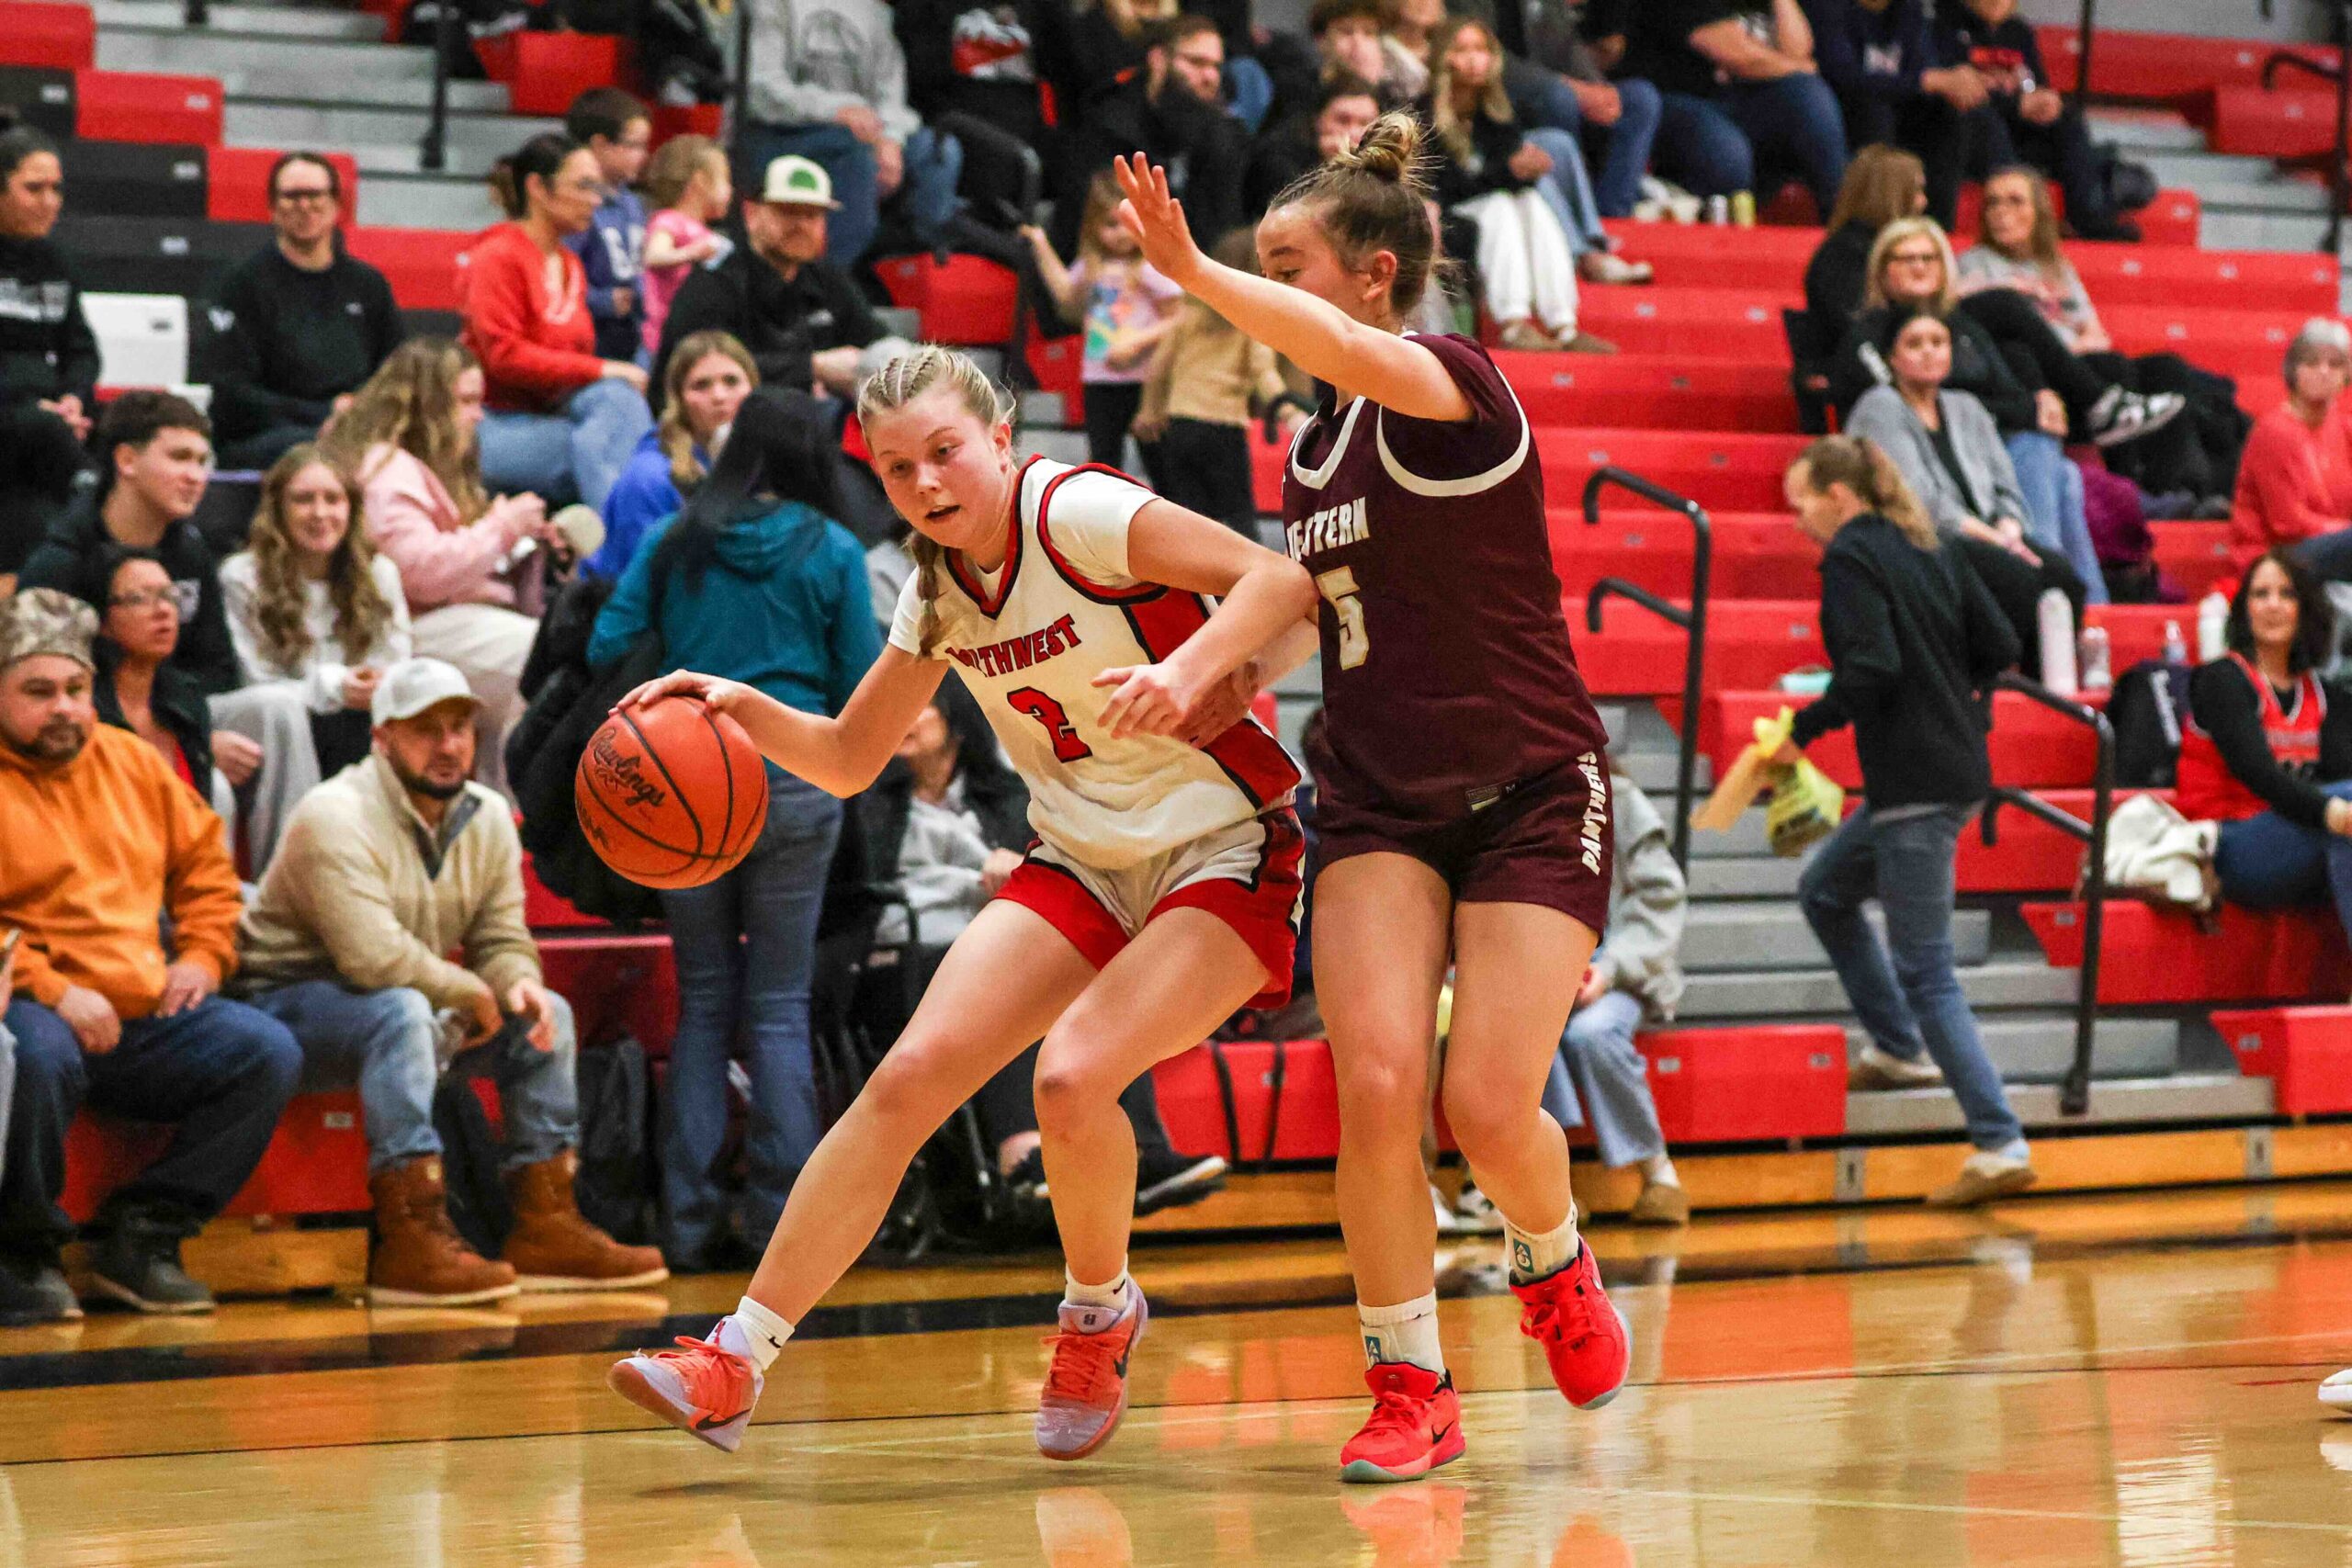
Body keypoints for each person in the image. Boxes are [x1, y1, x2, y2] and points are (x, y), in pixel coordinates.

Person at [605, 344, 1314, 1460]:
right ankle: (734, 1361)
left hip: (1221, 848)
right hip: (1080, 859)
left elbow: (1279, 581)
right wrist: (738, 705)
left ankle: (1098, 1313)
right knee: (906, 1081)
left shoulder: (1076, 512)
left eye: (944, 452)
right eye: (897, 469)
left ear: (999, 437)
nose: (926, 483)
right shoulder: (933, 588)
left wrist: (1188, 672)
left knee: (1071, 1079)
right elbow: (851, 758)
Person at [1116, 118, 1632, 1482]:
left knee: (1487, 1105)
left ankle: (1551, 1254)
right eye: (1255, 265)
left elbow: (1347, 352)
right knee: (1379, 1083)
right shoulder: (1313, 450)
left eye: (1285, 265)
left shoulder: (1458, 384)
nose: (1264, 285)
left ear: (1373, 273)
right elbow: (1319, 607)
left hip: (1529, 786)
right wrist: (1215, 683)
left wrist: (1192, 272)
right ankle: (1410, 1382)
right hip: (1379, 800)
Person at [233, 656, 669, 1305]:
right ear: (382, 738)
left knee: (547, 1012)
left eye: (460, 727)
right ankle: (409, 1236)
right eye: (425, 729)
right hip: (283, 1008)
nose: (448, 746)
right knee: (402, 1012)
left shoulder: (487, 815)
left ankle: (546, 1222)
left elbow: (500, 937)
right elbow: (372, 957)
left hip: (404, 1002)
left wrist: (516, 982)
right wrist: (469, 992)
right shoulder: (332, 814)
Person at [586, 391, 882, 1269]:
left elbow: (607, 642)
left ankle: (686, 1224)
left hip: (680, 774)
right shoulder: (832, 547)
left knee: (706, 999)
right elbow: (863, 679)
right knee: (780, 1005)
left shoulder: (675, 538)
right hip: (796, 776)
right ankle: (782, 1234)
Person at [0, 588, 303, 1320]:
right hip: (33, 1003)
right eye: (38, 691)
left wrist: (202, 955)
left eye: (76, 688)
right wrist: (54, 990)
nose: (64, 707)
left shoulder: (132, 761)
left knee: (266, 1051)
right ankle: (21, 1255)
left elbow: (207, 871)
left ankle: (146, 1234)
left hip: (141, 1007)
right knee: (32, 1055)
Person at [1777, 436, 2033, 1207]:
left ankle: (1999, 1140)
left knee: (1927, 969)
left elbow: (1873, 667)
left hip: (1915, 783)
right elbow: (2001, 642)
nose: (1798, 519)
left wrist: (1804, 727)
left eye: (1802, 502)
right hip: (1946, 770)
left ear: (1839, 496)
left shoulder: (1852, 557)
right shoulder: (1929, 543)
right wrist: (1953, 696)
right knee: (1825, 889)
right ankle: (1896, 1045)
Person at [867, 680, 1227, 1220]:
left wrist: (1018, 868)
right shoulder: (869, 801)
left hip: (998, 938)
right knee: (1004, 977)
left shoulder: (1011, 796)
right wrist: (977, 879)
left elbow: (1056, 876)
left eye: (923, 706)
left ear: (957, 722)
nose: (907, 719)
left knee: (1085, 969)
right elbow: (854, 894)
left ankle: (1142, 1150)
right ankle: (1022, 1152)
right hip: (904, 957)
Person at [20, 392, 324, 868]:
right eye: (180, 457)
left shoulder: (191, 552)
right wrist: (186, 738)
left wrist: (186, 725)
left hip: (173, 708)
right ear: (126, 460)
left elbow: (217, 668)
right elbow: (38, 690)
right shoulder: (62, 562)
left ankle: (293, 886)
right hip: (91, 729)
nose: (196, 475)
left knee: (278, 706)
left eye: (203, 461)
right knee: (213, 785)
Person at [328, 338, 549, 801]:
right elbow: (420, 573)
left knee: (545, 650)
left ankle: (499, 807)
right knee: (536, 656)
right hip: (402, 629)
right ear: (428, 405)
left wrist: (529, 545)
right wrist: (505, 528)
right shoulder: (386, 468)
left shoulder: (432, 463)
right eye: (466, 401)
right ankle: (515, 810)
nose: (479, 416)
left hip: (443, 618)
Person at [1830, 217, 2180, 451]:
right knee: (2036, 446)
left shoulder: (1963, 327)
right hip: (1909, 452)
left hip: (1984, 441)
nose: (1919, 267)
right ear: (1882, 270)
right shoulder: (1866, 336)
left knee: (2054, 458)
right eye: (1906, 259)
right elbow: (1916, 406)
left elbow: (2009, 392)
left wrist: (2036, 401)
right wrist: (2026, 413)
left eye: (1928, 258)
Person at [1846, 308, 2102, 622]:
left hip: (1988, 538)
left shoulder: (1967, 407)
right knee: (2020, 579)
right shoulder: (1879, 408)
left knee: (2064, 578)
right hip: (1923, 541)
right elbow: (1919, 500)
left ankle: (2050, 657)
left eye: (1938, 342)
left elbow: (2005, 486)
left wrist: (2009, 526)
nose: (1928, 351)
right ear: (1892, 359)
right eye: (1914, 344)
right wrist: (1997, 541)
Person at [462, 133, 654, 512]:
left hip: (552, 416)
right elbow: (504, 357)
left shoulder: (571, 264)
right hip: (492, 422)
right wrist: (602, 369)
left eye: (597, 188)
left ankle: (621, 535)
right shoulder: (497, 256)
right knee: (608, 448)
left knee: (618, 408)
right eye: (583, 186)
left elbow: (572, 367)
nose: (596, 200)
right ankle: (628, 540)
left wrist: (606, 377)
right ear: (538, 188)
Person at [2176, 549, 2352, 939]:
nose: (2273, 605)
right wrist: (2335, 813)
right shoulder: (2222, 679)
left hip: (2297, 843)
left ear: (2305, 610)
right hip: (2228, 848)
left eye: (2287, 594)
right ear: (2244, 610)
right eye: (2260, 594)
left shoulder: (2320, 693)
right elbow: (2257, 773)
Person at [1543, 759, 1688, 1226]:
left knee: (1593, 1033)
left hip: (1621, 975)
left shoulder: (1620, 800)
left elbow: (1660, 899)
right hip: (1543, 975)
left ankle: (1659, 1175)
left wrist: (1607, 970)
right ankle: (1551, 1185)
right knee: (1528, 1035)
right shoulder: (1519, 804)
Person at [220, 445, 414, 778]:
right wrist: (336, 687)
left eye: (333, 499)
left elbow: (395, 663)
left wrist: (375, 685)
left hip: (361, 720)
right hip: (282, 726)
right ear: (278, 509)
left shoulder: (379, 573)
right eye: (303, 500)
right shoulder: (244, 577)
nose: (320, 513)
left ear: (351, 508)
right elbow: (256, 681)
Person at [205, 152, 404, 470]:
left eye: (315, 195)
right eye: (292, 196)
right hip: (267, 436)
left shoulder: (368, 285)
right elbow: (233, 392)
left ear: (336, 205)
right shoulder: (241, 284)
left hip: (355, 427)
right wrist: (324, 414)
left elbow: (394, 369)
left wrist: (353, 413)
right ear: (272, 207)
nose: (304, 205)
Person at [652, 156, 898, 410]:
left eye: (813, 215)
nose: (801, 225)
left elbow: (875, 339)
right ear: (751, 213)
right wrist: (812, 368)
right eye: (788, 211)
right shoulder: (714, 282)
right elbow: (703, 374)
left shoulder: (827, 278)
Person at [1420, 17, 1602, 355]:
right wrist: (1509, 172)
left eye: (1481, 49)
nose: (1473, 59)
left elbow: (1505, 172)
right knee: (1501, 207)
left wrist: (1528, 169)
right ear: (1444, 57)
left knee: (1532, 203)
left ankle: (1563, 324)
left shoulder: (1496, 110)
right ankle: (1513, 322)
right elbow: (1447, 187)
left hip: (1487, 203)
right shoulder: (1424, 113)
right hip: (1448, 218)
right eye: (1462, 50)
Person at [739, 0, 963, 265]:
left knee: (939, 150)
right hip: (779, 133)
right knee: (855, 154)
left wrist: (891, 138)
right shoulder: (769, 5)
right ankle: (831, 273)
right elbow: (761, 90)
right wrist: (837, 111)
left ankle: (910, 261)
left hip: (863, 133)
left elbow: (890, 96)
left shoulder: (876, 11)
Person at [1611, 0, 1849, 219]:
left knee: (1809, 95)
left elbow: (1798, 50)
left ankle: (1844, 216)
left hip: (1740, 99)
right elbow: (1737, 55)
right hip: (1675, 98)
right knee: (1728, 154)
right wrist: (1799, 68)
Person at [1934, 0, 2137, 243]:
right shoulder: (1941, 27)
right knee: (1985, 121)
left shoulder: (2019, 32)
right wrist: (2015, 105)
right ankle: (2017, 215)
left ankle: (2088, 216)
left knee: (2067, 119)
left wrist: (2045, 102)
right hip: (1968, 136)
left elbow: (2037, 86)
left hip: (2020, 129)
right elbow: (1952, 96)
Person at [1132, 230, 1290, 537]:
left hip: (1180, 423)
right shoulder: (1252, 320)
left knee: (1190, 516)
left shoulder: (1188, 313)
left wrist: (1149, 411)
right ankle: (1250, 567)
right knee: (1239, 514)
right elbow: (1263, 374)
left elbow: (1159, 368)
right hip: (1223, 425)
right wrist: (1287, 410)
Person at [1022, 174, 1183, 470]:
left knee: (1159, 460)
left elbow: (1180, 317)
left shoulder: (1147, 268)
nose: (1122, 234)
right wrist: (1041, 245)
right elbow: (1065, 292)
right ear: (1093, 227)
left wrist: (1138, 342)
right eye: (1111, 225)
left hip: (1143, 380)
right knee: (1103, 460)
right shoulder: (1092, 266)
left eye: (1129, 224)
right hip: (1100, 378)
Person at [0, 126, 96, 591]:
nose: (50, 202)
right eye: (34, 189)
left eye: (56, 189)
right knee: (43, 430)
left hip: (47, 419)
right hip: (13, 412)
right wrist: (36, 407)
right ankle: (93, 512)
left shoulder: (58, 262)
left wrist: (74, 397)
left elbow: (81, 350)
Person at [1075, 14, 1253, 256]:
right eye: (1197, 62)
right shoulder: (1109, 125)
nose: (1210, 77)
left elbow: (1225, 230)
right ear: (1158, 59)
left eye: (1216, 67)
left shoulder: (1226, 137)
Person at [587, 331, 755, 583]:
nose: (719, 396)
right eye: (701, 385)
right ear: (678, 400)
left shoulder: (763, 463)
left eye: (731, 381)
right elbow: (641, 583)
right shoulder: (649, 477)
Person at [1802, 0, 1987, 228]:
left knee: (1949, 113)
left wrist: (1949, 83)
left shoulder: (1909, 9)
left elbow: (1920, 67)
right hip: (1840, 112)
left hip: (1897, 105)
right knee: (1874, 112)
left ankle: (1936, 229)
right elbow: (1840, 76)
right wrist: (1925, 81)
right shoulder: (1826, 8)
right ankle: (1874, 227)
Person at [2233, 320, 2352, 578]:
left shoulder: (2344, 429)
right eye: (2311, 363)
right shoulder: (2274, 431)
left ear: (2346, 376)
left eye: (2335, 365)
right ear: (2293, 371)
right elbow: (2286, 522)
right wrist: (2344, 531)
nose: (2324, 372)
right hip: (2275, 557)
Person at [561, 89, 654, 367]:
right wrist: (601, 300)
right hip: (591, 342)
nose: (643, 156)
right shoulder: (578, 205)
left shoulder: (632, 203)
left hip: (632, 335)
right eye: (634, 146)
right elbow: (560, 277)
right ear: (600, 145)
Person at [639, 135, 735, 361]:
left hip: (694, 336)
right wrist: (691, 253)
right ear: (700, 182)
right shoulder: (669, 220)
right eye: (726, 180)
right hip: (661, 341)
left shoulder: (706, 234)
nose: (731, 190)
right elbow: (653, 256)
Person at [1248, 74, 1384, 220]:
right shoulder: (1278, 156)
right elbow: (1293, 216)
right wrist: (1331, 167)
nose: (1353, 132)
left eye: (1364, 123)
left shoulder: (1385, 161)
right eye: (1342, 121)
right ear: (1318, 119)